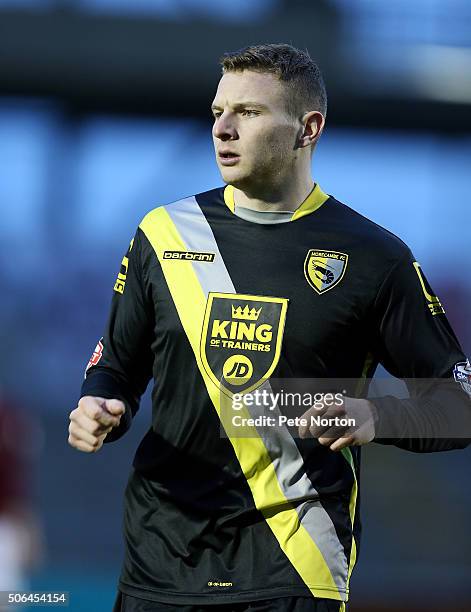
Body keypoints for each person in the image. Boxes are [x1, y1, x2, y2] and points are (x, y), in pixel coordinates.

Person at [68, 44, 471, 612]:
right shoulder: (163, 234)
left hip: (294, 566)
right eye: (217, 112)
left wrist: (375, 414)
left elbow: (460, 402)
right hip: (159, 562)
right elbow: (118, 365)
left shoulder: (375, 257)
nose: (223, 129)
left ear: (308, 128)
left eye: (249, 113)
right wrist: (99, 403)